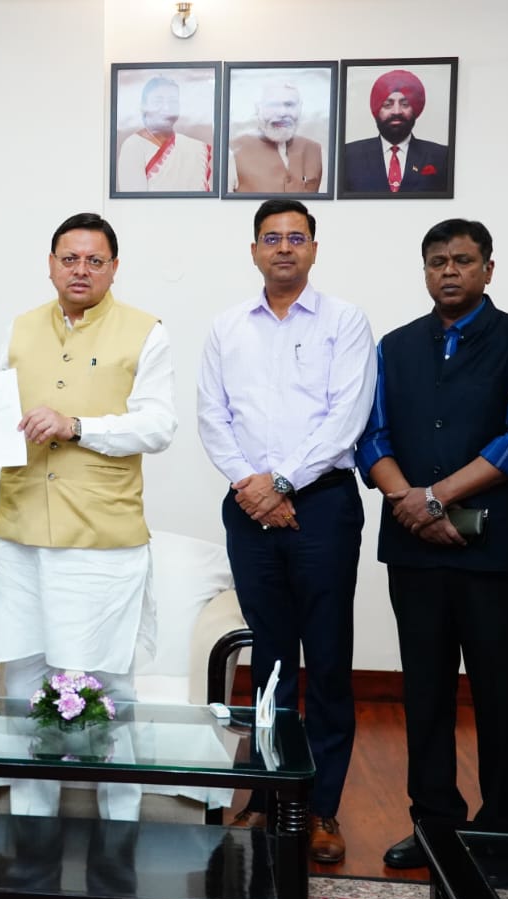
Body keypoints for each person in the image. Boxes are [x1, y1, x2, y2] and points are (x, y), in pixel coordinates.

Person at [0, 212, 175, 820]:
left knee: (108, 681)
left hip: (101, 536)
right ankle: (31, 821)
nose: (81, 270)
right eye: (69, 259)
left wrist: (77, 426)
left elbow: (159, 426)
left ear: (114, 268)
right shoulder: (21, 327)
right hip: (21, 530)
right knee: (25, 680)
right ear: (50, 265)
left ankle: (120, 821)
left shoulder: (145, 331)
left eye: (94, 260)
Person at [354, 219, 508, 869]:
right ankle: (435, 826)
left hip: (496, 555)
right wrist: (409, 503)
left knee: (502, 695)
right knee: (425, 693)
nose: (450, 271)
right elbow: (370, 437)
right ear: (424, 271)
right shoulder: (394, 347)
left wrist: (434, 497)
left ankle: (502, 835)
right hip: (415, 552)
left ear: (488, 269)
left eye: (464, 260)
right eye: (437, 261)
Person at [196, 198, 374, 862]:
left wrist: (282, 484)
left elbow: (346, 416)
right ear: (254, 251)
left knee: (326, 660)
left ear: (314, 249)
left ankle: (321, 808)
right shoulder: (226, 327)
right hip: (248, 507)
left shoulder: (345, 322)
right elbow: (212, 415)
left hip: (321, 506)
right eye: (271, 238)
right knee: (269, 661)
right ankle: (267, 797)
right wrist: (254, 487)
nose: (283, 248)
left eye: (296, 238)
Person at [341, 69, 451, 195]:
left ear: (415, 109)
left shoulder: (441, 156)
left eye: (405, 104)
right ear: (376, 110)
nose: (397, 111)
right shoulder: (349, 155)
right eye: (388, 105)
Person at [117, 76, 213, 192]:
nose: (167, 108)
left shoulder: (196, 149)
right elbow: (133, 200)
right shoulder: (133, 146)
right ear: (144, 107)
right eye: (158, 101)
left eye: (172, 101)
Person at [229, 81, 324, 194]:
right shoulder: (232, 151)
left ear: (300, 108)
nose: (282, 113)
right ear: (258, 108)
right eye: (273, 105)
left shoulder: (316, 151)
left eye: (289, 105)